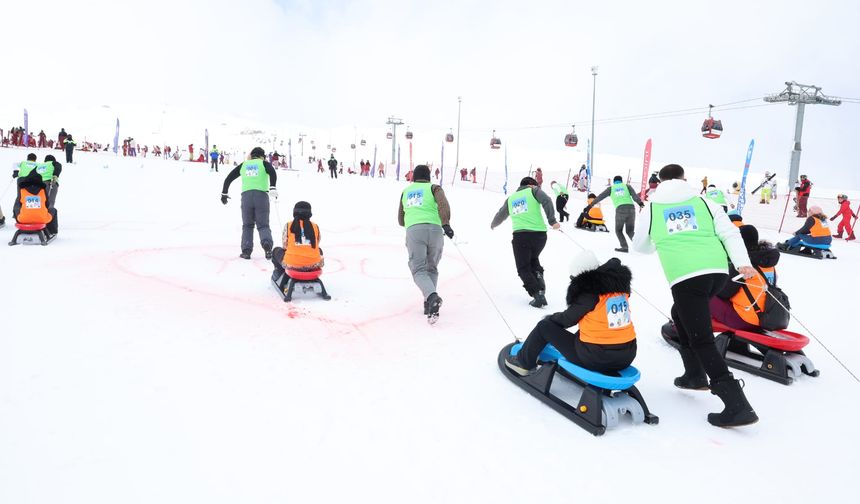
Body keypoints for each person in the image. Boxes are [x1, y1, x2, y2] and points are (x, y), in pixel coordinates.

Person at [633, 163, 758, 428]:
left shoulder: (652, 208)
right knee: (680, 314)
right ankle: (694, 375)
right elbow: (729, 232)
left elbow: (640, 246)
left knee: (702, 338)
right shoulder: (704, 202)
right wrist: (742, 263)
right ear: (684, 179)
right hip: (717, 273)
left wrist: (661, 240)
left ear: (660, 181)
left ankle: (737, 405)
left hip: (686, 276)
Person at [504, 250, 637, 375]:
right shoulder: (618, 290)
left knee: (544, 327)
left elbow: (566, 320)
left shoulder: (590, 292)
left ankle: (523, 363)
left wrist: (550, 319)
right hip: (627, 355)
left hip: (597, 358)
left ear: (582, 277)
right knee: (591, 326)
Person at [491, 176, 560, 307]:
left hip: (521, 236)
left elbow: (501, 214)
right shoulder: (533, 191)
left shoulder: (511, 199)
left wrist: (494, 224)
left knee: (523, 268)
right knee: (533, 258)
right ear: (530, 184)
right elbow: (547, 200)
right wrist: (552, 221)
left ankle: (537, 294)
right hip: (540, 236)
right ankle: (538, 275)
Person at [397, 165, 453, 321]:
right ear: (429, 177)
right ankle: (429, 303)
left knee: (418, 270)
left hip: (415, 231)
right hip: (435, 231)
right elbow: (443, 204)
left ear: (414, 177)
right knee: (432, 267)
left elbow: (401, 220)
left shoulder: (406, 192)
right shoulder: (434, 188)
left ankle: (432, 297)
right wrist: (446, 224)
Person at [710, 225, 781, 332]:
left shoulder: (744, 264)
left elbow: (725, 293)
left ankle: (694, 328)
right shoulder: (767, 263)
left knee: (703, 295)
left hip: (745, 319)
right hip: (766, 318)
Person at [220, 147, 278, 259]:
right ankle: (267, 245)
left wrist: (224, 193)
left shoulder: (244, 165)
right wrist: (272, 187)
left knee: (247, 225)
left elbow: (229, 178)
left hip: (246, 197)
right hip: (261, 196)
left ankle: (246, 251)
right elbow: (272, 172)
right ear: (262, 156)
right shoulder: (263, 163)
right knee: (263, 224)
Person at [586, 175, 644, 252]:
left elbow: (600, 197)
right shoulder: (627, 186)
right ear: (621, 181)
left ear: (614, 182)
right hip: (631, 209)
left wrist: (590, 205)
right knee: (630, 231)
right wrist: (640, 203)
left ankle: (624, 247)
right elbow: (634, 196)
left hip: (620, 209)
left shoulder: (611, 188)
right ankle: (640, 246)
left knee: (618, 230)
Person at [271, 201, 325, 280]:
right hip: (314, 264)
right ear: (309, 214)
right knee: (319, 250)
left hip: (292, 264)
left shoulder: (288, 225)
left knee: (276, 250)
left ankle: (279, 272)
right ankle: (310, 264)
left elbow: (285, 246)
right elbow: (317, 243)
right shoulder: (315, 226)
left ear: (294, 212)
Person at [13, 170, 58, 236]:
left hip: (23, 219)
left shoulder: (22, 190)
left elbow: (18, 204)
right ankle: (52, 231)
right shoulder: (43, 190)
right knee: (53, 210)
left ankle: (23, 221)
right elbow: (47, 204)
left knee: (16, 208)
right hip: (42, 219)